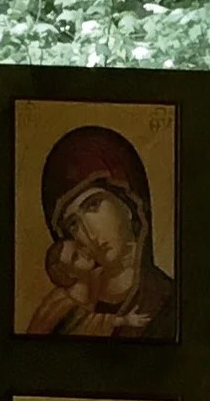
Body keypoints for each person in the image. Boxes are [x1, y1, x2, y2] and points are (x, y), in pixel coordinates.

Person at [23, 124, 180, 340]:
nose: (89, 233)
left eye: (93, 205)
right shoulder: (63, 309)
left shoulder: (166, 302)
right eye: (73, 224)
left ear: (127, 204)